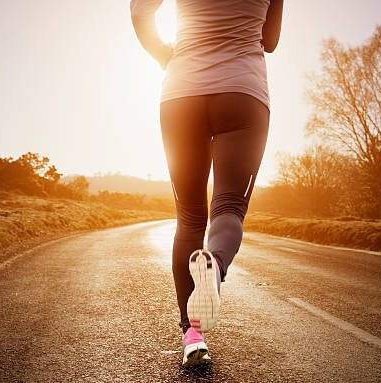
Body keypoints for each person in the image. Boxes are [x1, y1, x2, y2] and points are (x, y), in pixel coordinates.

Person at [130, 0, 283, 366]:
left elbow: (140, 12)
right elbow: (271, 39)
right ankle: (213, 266)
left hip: (181, 93)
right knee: (228, 207)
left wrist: (165, 55)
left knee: (189, 218)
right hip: (242, 93)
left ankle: (192, 336)